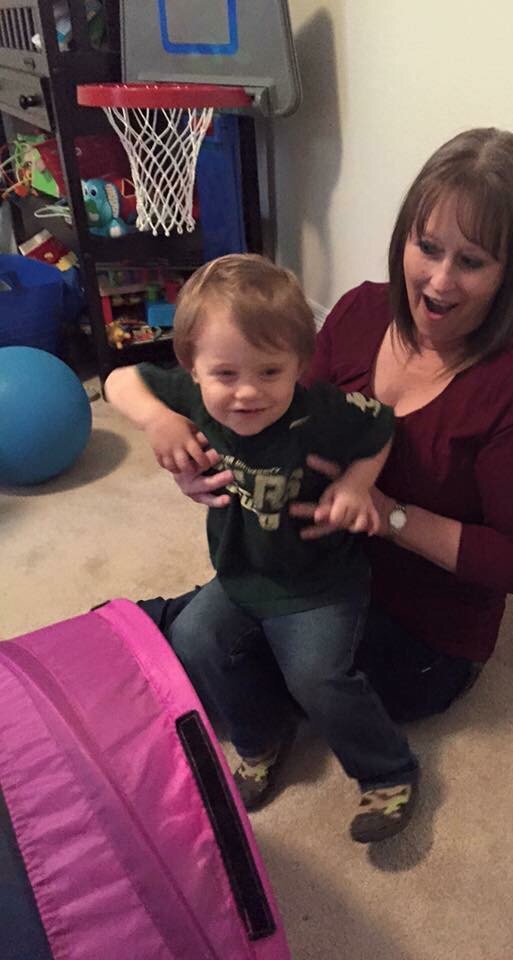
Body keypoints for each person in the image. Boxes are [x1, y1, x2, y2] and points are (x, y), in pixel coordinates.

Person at [130, 127, 513, 838]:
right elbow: (276, 418)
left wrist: (388, 512)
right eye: (428, 247)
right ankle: (167, 637)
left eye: (472, 261)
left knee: (289, 666)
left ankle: (385, 771)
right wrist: (203, 461)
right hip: (309, 564)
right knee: (196, 637)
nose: (439, 281)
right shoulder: (363, 309)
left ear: (511, 273)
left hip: (421, 634)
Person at [105, 254, 419, 844]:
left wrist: (355, 486)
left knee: (317, 677)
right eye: (225, 374)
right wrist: (155, 420)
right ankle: (259, 740)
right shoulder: (189, 396)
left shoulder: (321, 412)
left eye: (271, 372)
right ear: (191, 367)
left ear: (300, 364)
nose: (247, 392)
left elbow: (381, 426)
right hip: (242, 572)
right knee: (193, 637)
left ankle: (388, 770)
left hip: (320, 584)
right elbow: (119, 380)